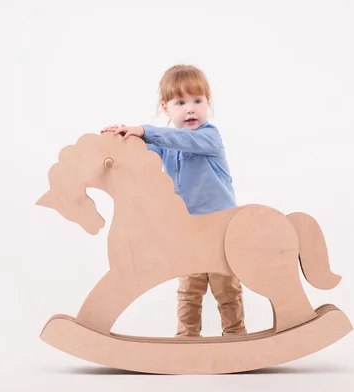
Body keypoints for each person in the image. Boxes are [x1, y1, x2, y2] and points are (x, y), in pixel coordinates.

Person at [101, 64, 247, 337]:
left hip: (221, 230)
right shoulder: (166, 145)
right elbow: (141, 150)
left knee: (226, 288)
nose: (190, 108)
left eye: (197, 101)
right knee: (189, 290)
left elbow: (177, 139)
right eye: (180, 102)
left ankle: (236, 336)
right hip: (188, 231)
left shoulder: (209, 137)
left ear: (208, 103)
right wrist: (120, 136)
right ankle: (186, 339)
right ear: (165, 108)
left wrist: (144, 130)